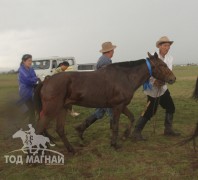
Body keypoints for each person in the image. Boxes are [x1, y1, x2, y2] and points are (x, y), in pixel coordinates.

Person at [132, 36, 180, 141]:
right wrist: (154, 81)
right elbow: (146, 73)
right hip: (152, 90)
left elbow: (168, 72)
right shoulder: (153, 59)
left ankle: (168, 130)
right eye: (165, 45)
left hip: (163, 89)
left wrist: (165, 80)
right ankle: (136, 132)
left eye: (168, 46)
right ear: (159, 46)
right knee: (150, 111)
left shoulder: (170, 58)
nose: (167, 48)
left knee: (171, 107)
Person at [75, 41, 116, 139]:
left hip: (102, 91)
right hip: (104, 93)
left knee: (99, 113)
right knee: (113, 113)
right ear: (110, 51)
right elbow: (105, 78)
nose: (114, 52)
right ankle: (114, 136)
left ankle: (81, 127)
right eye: (113, 50)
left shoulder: (104, 59)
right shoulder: (105, 61)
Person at [18, 54, 38, 126]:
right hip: (25, 93)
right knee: (32, 109)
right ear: (24, 61)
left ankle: (20, 119)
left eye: (31, 61)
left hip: (31, 91)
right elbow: (27, 81)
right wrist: (34, 79)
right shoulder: (21, 70)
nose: (30, 62)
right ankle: (32, 125)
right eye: (29, 61)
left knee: (32, 108)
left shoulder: (31, 69)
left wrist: (34, 79)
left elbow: (35, 77)